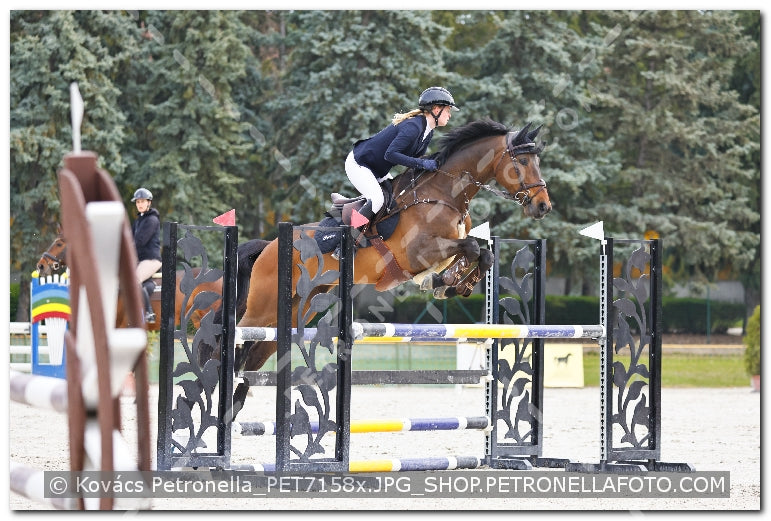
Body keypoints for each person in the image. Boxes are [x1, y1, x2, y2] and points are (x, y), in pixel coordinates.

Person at [345, 86, 459, 229]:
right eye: (448, 111)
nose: (449, 115)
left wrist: (439, 162)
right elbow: (390, 154)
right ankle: (348, 236)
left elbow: (417, 158)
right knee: (377, 200)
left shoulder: (428, 132)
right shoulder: (413, 127)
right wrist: (423, 164)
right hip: (360, 164)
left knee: (394, 200)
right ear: (436, 109)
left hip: (378, 170)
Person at [131, 187, 161, 323]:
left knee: (134, 280)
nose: (140, 204)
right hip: (140, 260)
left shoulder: (152, 220)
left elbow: (139, 242)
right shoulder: (138, 221)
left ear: (149, 203)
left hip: (151, 259)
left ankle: (149, 313)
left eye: (142, 202)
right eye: (138, 202)